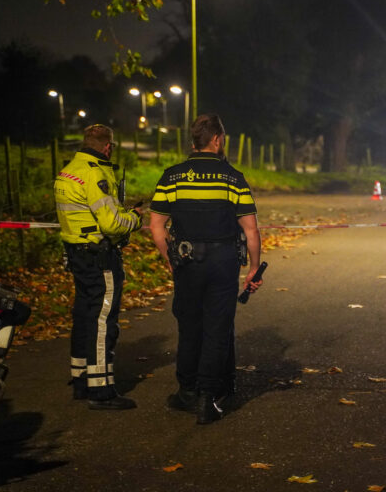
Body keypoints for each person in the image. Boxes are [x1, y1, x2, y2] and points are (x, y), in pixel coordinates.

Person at [149, 113, 263, 424]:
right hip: (224, 262)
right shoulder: (233, 177)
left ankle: (186, 391)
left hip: (186, 261)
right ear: (216, 140)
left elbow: (156, 226)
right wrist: (254, 267)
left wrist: (169, 258)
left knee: (189, 325)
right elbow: (251, 231)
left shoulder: (171, 176)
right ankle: (209, 397)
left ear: (193, 143)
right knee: (217, 326)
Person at [54, 124, 143, 410]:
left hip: (76, 253)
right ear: (107, 147)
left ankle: (81, 378)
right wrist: (135, 218)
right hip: (99, 256)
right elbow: (111, 223)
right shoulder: (96, 172)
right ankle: (101, 390)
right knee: (103, 320)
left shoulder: (70, 169)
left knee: (84, 315)